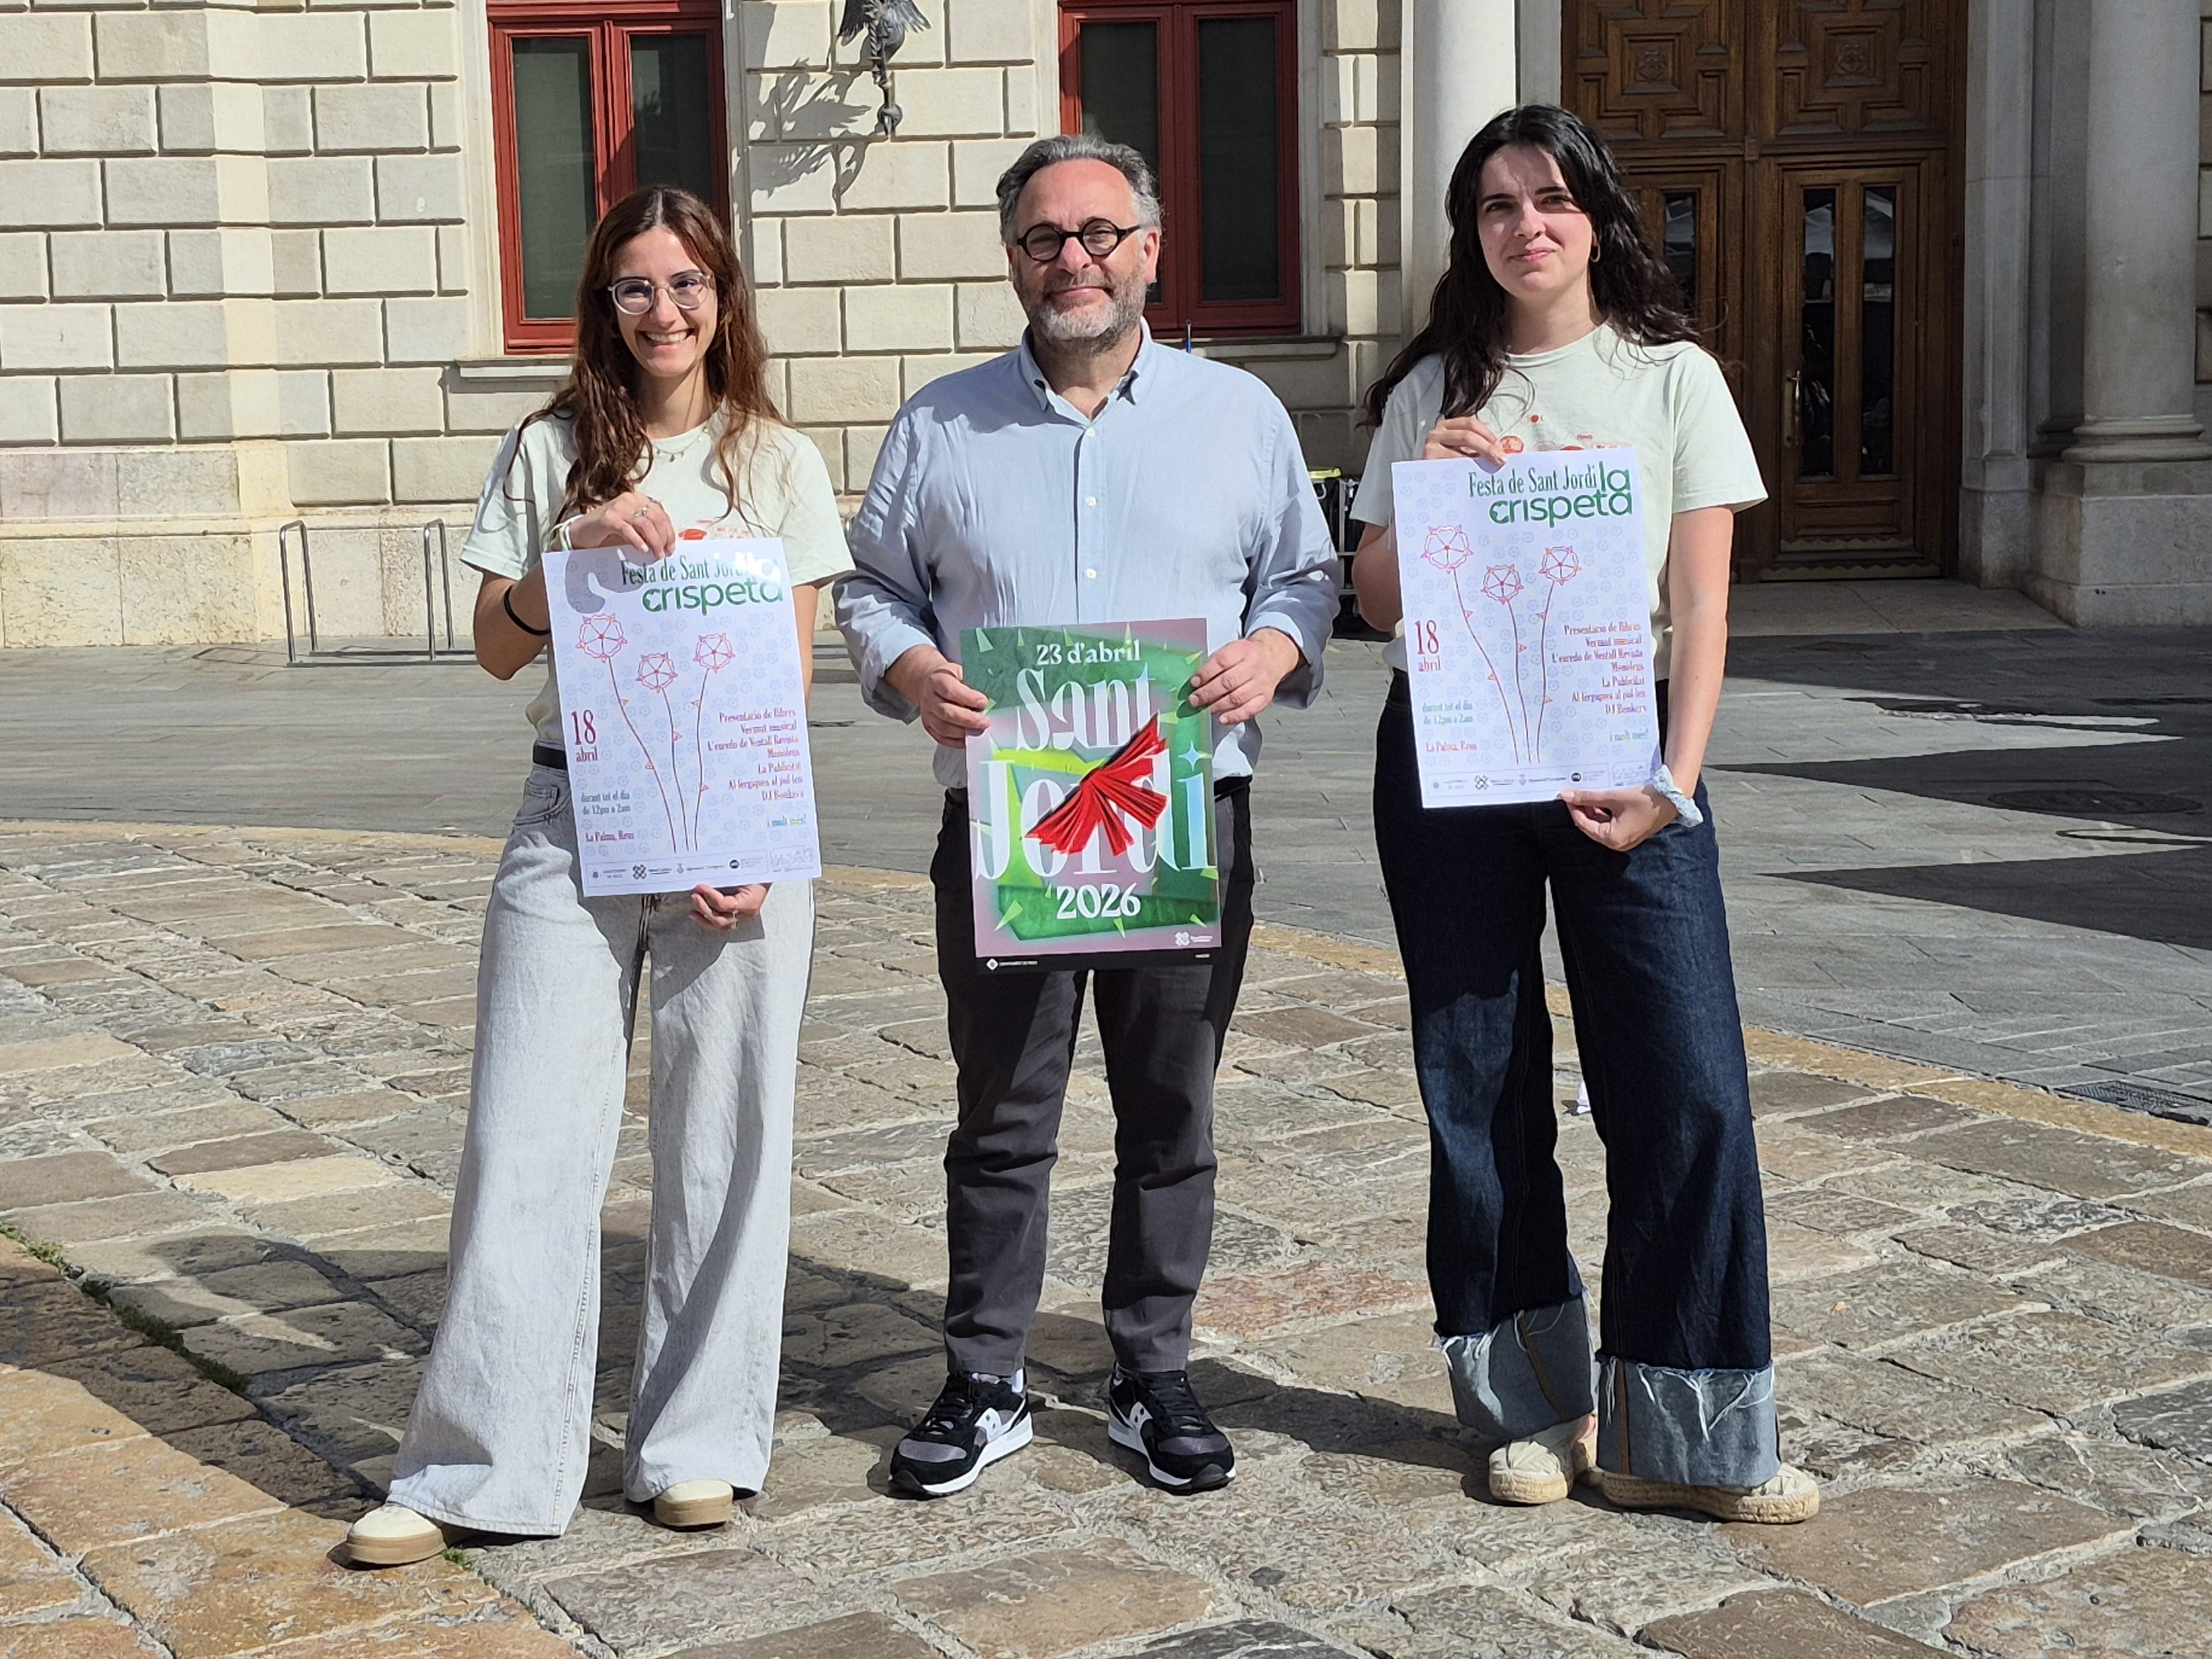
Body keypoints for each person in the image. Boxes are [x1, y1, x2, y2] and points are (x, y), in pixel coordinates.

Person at [344, 185, 849, 1565]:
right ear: (604, 304)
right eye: (635, 286)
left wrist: (752, 834)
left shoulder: (778, 462)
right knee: (525, 1135)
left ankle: (698, 1446)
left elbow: (786, 669)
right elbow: (493, 648)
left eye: (686, 284)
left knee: (726, 1138)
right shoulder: (552, 446)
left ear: (723, 299)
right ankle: (481, 1468)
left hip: (727, 820)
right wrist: (559, 558)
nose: (662, 310)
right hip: (573, 810)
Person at [838, 133, 1339, 1500]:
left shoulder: (1240, 414)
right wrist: (910, 669)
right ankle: (985, 1373)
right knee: (1002, 1112)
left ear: (1149, 250)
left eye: (1099, 233)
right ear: (1013, 259)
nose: (1074, 259)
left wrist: (1274, 651)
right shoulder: (940, 425)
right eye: (1045, 238)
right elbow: (870, 586)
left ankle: (1152, 1368)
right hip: (1011, 825)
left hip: (1185, 818)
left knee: (1170, 1109)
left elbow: (1304, 575)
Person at [1349, 105, 1817, 1524]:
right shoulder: (1430, 387)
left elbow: (1704, 608)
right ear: (1471, 234)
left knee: (1683, 1080)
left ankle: (1689, 1426)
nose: (1525, 226)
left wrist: (1676, 780)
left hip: (1624, 752)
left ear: (1598, 219)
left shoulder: (1670, 378)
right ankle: (1526, 1405)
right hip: (1455, 758)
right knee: (1479, 1078)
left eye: (1550, 199)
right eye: (1496, 205)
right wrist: (1426, 494)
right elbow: (1375, 602)